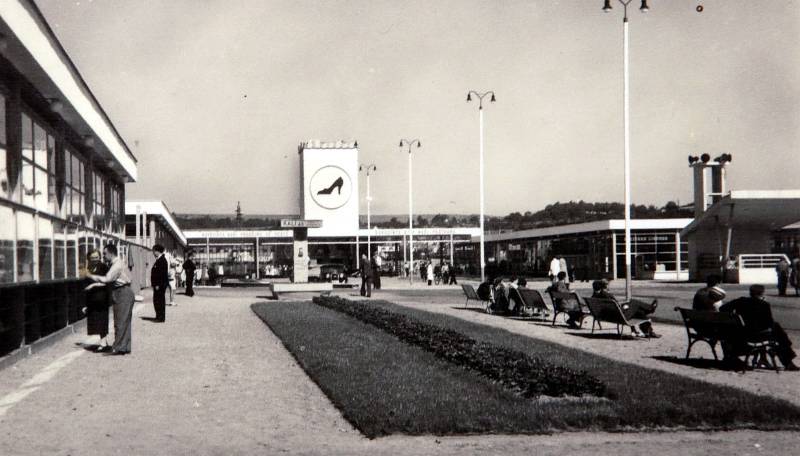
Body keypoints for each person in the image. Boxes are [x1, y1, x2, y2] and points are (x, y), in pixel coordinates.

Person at [720, 284, 798, 371]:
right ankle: (787, 361)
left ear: (750, 293)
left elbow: (722, 308)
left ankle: (765, 359)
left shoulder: (740, 301)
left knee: (776, 330)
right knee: (777, 331)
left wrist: (735, 316)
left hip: (742, 334)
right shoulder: (764, 304)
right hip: (755, 337)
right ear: (762, 294)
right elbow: (769, 323)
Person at [87, 244, 134, 355]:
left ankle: (117, 348)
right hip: (124, 291)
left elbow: (107, 279)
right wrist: (94, 285)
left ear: (110, 253)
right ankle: (124, 347)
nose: (103, 256)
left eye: (104, 254)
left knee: (120, 321)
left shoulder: (116, 265)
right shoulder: (116, 263)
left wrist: (91, 276)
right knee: (125, 321)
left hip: (122, 292)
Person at [591, 279, 660, 337]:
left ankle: (648, 331)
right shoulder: (606, 295)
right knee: (634, 302)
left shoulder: (594, 297)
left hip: (611, 316)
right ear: (604, 287)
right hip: (620, 316)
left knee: (639, 311)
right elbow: (616, 305)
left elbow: (613, 306)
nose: (608, 286)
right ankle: (650, 309)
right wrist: (624, 307)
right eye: (607, 285)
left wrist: (623, 306)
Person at [83, 250, 111, 352]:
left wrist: (94, 285)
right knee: (95, 321)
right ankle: (104, 342)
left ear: (100, 257)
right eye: (92, 257)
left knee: (102, 319)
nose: (95, 259)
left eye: (97, 257)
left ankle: (103, 344)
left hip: (102, 298)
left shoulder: (104, 267)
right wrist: (85, 304)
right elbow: (85, 283)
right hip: (92, 299)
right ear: (89, 258)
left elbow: (108, 282)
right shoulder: (88, 268)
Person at [150, 244, 169, 322]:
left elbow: (161, 274)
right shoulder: (160, 259)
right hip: (158, 284)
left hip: (160, 284)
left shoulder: (162, 261)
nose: (153, 253)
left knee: (159, 300)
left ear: (157, 251)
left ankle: (160, 317)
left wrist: (157, 284)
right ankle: (158, 316)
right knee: (157, 300)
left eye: (154, 251)